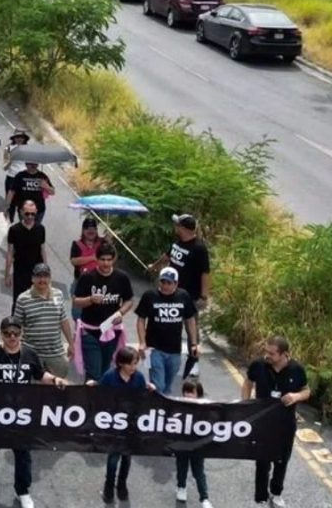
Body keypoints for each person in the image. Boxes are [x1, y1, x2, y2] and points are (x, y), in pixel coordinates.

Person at [0, 315, 68, 508]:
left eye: (16, 333)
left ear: (22, 334)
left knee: (23, 454)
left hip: (22, 414)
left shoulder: (30, 354)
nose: (12, 337)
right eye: (7, 333)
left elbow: (39, 374)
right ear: (1, 335)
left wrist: (55, 380)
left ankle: (22, 490)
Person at [243, 336, 310, 508]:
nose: (267, 355)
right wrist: (245, 404)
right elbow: (248, 382)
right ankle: (261, 497)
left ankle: (276, 493)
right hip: (262, 422)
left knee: (281, 460)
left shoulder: (297, 369)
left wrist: (296, 396)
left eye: (271, 353)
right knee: (262, 460)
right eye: (266, 351)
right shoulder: (258, 365)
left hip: (285, 424)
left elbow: (306, 391)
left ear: (284, 354)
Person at [86, 346, 155, 503]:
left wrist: (150, 390)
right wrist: (92, 386)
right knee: (113, 458)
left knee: (127, 457)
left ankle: (122, 485)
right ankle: (108, 487)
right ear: (121, 363)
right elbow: (99, 392)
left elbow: (143, 397)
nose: (133, 367)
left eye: (136, 363)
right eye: (130, 364)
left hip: (130, 425)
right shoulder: (110, 377)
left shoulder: (138, 378)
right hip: (114, 424)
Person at [148, 213, 211, 378]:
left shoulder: (199, 248)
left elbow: (205, 273)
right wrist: (154, 267)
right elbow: (167, 257)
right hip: (171, 293)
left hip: (189, 295)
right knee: (168, 324)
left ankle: (194, 360)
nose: (175, 227)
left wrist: (204, 296)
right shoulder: (178, 243)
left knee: (191, 329)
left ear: (185, 228)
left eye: (178, 225)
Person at [72, 243, 134, 381]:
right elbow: (76, 301)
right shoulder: (88, 277)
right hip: (90, 331)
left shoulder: (122, 277)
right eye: (102, 259)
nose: (106, 263)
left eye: (109, 259)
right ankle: (90, 400)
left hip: (111, 331)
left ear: (113, 260)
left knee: (106, 371)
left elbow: (129, 300)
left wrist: (120, 313)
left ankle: (100, 400)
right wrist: (90, 299)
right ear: (96, 259)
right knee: (94, 373)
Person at [135, 266, 199, 396]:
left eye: (169, 283)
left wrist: (193, 343)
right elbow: (141, 319)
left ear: (176, 283)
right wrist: (142, 342)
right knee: (159, 385)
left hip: (175, 349)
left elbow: (190, 320)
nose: (165, 285)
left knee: (168, 386)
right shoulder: (150, 296)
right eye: (162, 282)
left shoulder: (183, 296)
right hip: (154, 348)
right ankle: (156, 409)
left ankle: (161, 410)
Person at [14, 263, 74, 377]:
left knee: (57, 389)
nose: (42, 280)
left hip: (56, 353)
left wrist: (71, 343)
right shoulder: (23, 299)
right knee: (32, 391)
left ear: (50, 278)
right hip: (31, 354)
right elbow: (16, 326)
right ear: (33, 279)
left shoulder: (59, 294)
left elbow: (64, 320)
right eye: (39, 276)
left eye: (45, 276)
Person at [175, 378, 213, 508]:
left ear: (199, 394)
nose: (188, 395)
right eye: (186, 392)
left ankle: (204, 498)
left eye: (191, 392)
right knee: (181, 468)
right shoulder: (177, 405)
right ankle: (181, 487)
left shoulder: (206, 408)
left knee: (199, 471)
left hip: (198, 446)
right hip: (181, 445)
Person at [5, 200, 46, 313]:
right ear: (21, 212)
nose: (30, 217)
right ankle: (15, 327)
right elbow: (10, 253)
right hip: (20, 271)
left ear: (36, 212)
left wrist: (46, 271)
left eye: (33, 214)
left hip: (36, 272)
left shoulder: (40, 229)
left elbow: (42, 249)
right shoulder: (14, 230)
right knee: (19, 301)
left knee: (36, 301)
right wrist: (7, 274)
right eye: (27, 213)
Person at [69, 217, 105, 319]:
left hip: (100, 282)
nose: (91, 231)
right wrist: (92, 258)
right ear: (83, 230)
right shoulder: (76, 244)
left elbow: (112, 258)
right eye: (88, 228)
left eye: (93, 228)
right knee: (77, 313)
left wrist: (111, 244)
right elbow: (74, 261)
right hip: (81, 282)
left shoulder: (102, 243)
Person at [3, 129, 30, 221]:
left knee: (22, 203)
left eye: (21, 137)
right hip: (11, 177)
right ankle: (9, 223)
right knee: (10, 204)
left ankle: (22, 223)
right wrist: (11, 160)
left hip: (23, 178)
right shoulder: (8, 148)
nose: (19, 139)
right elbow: (4, 167)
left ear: (24, 139)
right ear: (14, 138)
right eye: (17, 137)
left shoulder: (28, 149)